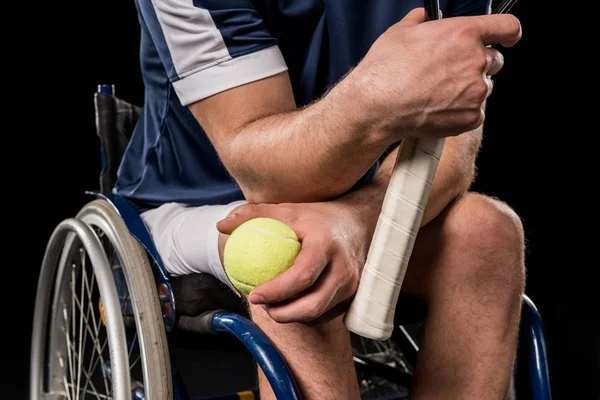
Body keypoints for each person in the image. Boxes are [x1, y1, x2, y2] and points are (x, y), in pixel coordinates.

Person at [116, 1, 525, 399]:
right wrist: (376, 93)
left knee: (486, 233)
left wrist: (357, 220)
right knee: (290, 255)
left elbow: (449, 140)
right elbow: (266, 175)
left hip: (357, 197)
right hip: (187, 207)